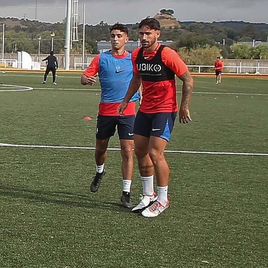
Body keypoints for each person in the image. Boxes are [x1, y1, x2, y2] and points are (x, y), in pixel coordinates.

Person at [118, 17, 193, 218]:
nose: (143, 37)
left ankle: (162, 199)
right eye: (141, 33)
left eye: (148, 33)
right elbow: (136, 79)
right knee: (140, 150)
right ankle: (148, 195)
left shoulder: (167, 54)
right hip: (145, 109)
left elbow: (187, 79)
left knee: (155, 152)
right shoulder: (137, 55)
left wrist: (184, 107)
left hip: (165, 109)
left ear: (157, 34)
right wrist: (126, 100)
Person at [80, 24, 139, 208]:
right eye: (112, 36)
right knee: (100, 149)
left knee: (127, 151)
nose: (115, 39)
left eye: (119, 36)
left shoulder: (133, 59)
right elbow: (84, 77)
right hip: (106, 111)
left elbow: (141, 79)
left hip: (128, 111)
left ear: (126, 39)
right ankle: (100, 171)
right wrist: (86, 80)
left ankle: (126, 193)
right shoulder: (101, 58)